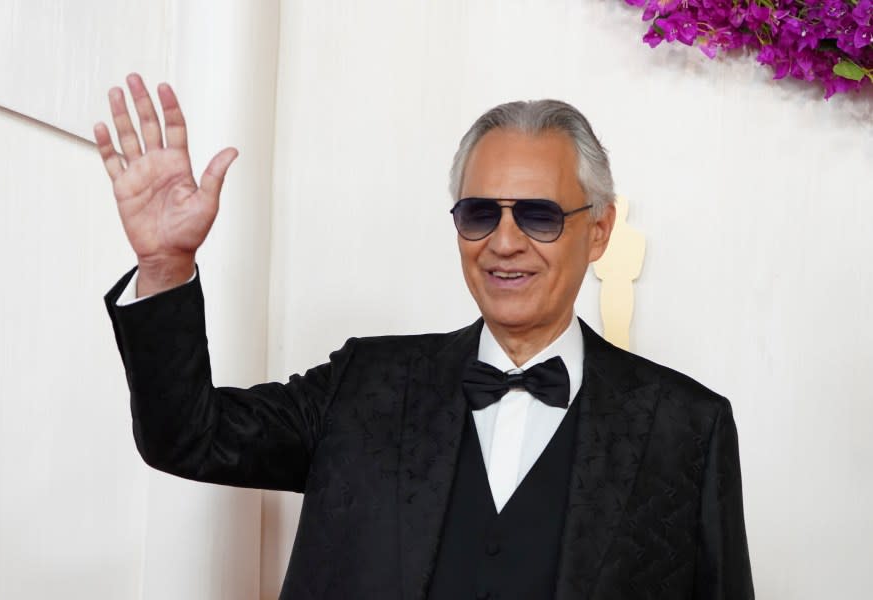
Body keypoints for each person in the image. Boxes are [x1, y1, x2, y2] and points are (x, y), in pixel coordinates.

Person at [98, 73, 754, 600]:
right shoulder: (364, 384)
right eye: (478, 214)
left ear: (599, 232)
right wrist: (165, 267)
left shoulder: (688, 430)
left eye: (539, 215)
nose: (503, 242)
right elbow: (188, 437)